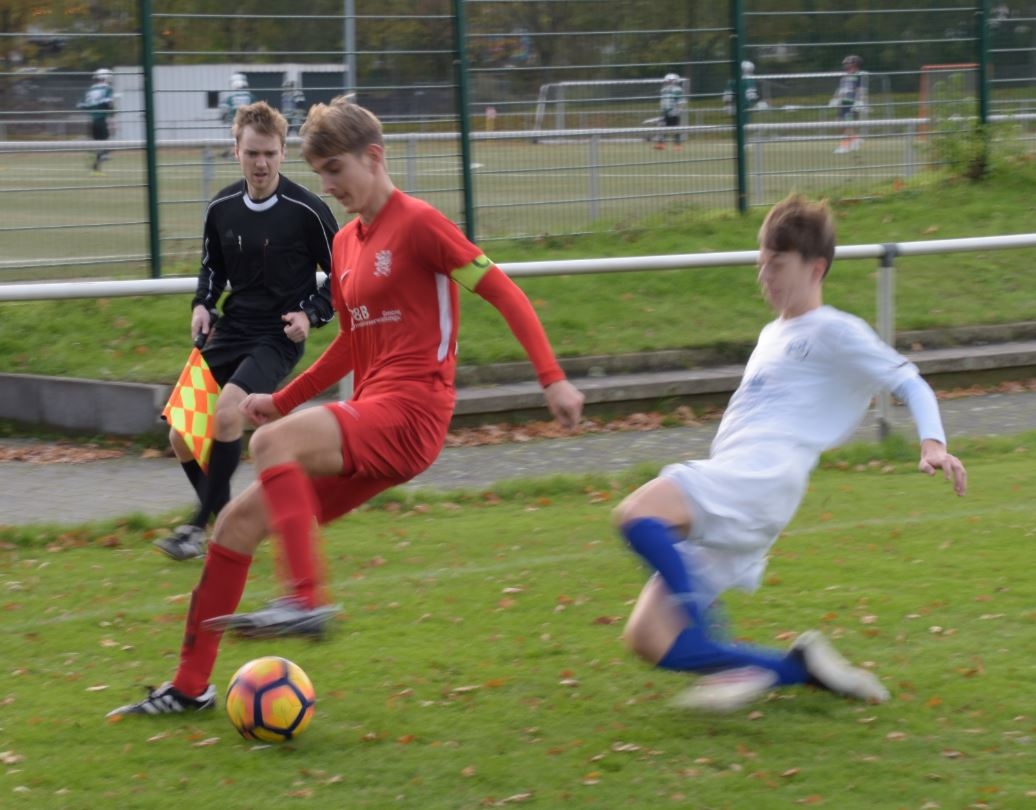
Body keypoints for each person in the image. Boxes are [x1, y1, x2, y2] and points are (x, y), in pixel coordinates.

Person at [108, 96, 585, 717]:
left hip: (413, 412)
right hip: (372, 416)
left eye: (335, 170)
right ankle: (189, 687)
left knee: (270, 445)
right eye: (320, 172)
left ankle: (304, 598)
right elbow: (353, 345)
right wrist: (281, 400)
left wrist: (552, 380)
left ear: (374, 157)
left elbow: (505, 293)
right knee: (234, 527)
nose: (328, 185)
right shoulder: (346, 246)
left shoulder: (421, 224)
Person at [612, 193, 967, 714]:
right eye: (762, 264)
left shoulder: (834, 329)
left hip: (758, 480)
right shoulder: (772, 332)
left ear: (815, 268)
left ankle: (719, 647)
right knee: (650, 640)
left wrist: (933, 441)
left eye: (777, 265)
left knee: (636, 514)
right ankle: (799, 668)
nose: (765, 276)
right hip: (738, 486)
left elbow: (909, 381)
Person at [153, 100, 338, 563]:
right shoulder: (221, 207)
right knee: (180, 435)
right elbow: (211, 269)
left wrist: (311, 314)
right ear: (236, 150)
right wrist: (202, 304)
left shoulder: (307, 210)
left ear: (283, 153)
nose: (261, 163)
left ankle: (195, 529)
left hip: (278, 336)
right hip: (232, 328)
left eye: (270, 154)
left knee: (227, 413)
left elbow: (344, 274)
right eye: (252, 153)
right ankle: (229, 519)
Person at [76, 68, 114, 173]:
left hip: (91, 120)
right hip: (101, 119)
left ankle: (96, 167)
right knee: (105, 144)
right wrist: (112, 114)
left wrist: (92, 108)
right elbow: (108, 103)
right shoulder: (107, 89)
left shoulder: (90, 89)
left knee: (99, 144)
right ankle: (102, 157)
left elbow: (81, 105)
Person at [831, 54, 867, 154]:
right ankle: (855, 139)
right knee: (840, 123)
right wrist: (835, 98)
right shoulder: (845, 75)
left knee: (847, 124)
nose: (846, 64)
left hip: (851, 103)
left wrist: (861, 101)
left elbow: (861, 89)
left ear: (855, 64)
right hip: (843, 102)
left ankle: (845, 145)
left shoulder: (859, 75)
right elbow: (840, 88)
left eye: (849, 62)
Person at [220, 73, 253, 157]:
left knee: (235, 138)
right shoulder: (250, 95)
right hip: (248, 122)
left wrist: (223, 117)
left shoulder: (232, 97)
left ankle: (233, 153)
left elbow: (225, 108)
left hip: (235, 122)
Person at [654, 72, 684, 150]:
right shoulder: (664, 90)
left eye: (670, 81)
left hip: (674, 112)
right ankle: (661, 143)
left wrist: (679, 109)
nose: (669, 82)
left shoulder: (678, 90)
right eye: (668, 81)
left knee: (676, 128)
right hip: (665, 112)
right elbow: (662, 101)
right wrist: (662, 109)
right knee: (662, 127)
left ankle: (677, 145)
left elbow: (680, 101)